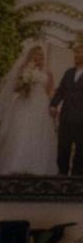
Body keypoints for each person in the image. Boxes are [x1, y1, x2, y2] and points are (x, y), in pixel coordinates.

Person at [0, 44, 57, 175]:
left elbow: (50, 91)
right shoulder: (24, 69)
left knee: (38, 134)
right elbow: (15, 88)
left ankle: (36, 167)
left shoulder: (48, 72)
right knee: (20, 132)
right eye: (38, 55)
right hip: (25, 102)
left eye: (42, 55)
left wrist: (53, 105)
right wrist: (25, 84)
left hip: (41, 105)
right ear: (32, 56)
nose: (40, 57)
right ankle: (14, 165)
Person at [50, 37, 83, 175]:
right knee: (63, 149)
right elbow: (61, 91)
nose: (76, 55)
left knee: (81, 152)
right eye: (75, 53)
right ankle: (61, 178)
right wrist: (53, 104)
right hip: (66, 118)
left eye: (80, 53)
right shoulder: (68, 72)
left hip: (81, 120)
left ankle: (75, 181)